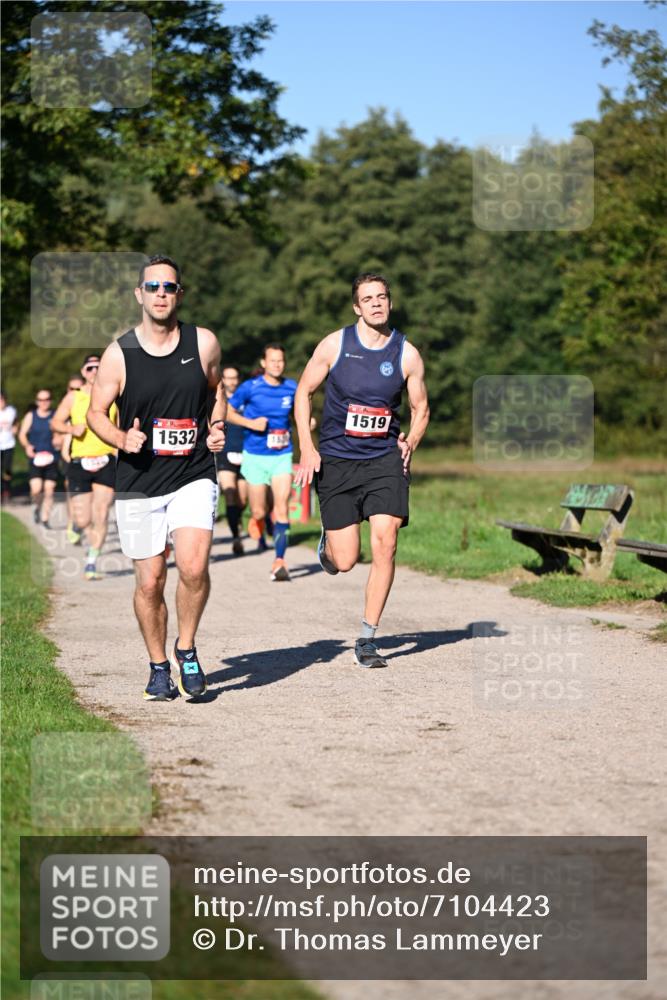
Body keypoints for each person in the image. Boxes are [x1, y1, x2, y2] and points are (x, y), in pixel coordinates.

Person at [87, 254, 226, 702]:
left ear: (179, 294)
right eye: (153, 288)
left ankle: (186, 649)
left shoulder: (203, 343)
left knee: (193, 566)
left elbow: (215, 391)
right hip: (139, 478)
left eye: (169, 287)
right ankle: (158, 665)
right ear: (139, 295)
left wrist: (217, 425)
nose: (161, 294)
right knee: (149, 582)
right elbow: (95, 412)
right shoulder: (118, 353)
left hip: (193, 471)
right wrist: (119, 437)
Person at [294, 272, 430, 668]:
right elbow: (304, 392)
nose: (376, 303)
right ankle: (329, 547)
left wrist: (409, 444)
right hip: (336, 460)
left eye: (382, 297)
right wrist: (308, 446)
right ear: (357, 306)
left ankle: (368, 638)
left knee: (386, 540)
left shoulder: (407, 353)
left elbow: (421, 408)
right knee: (347, 559)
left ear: (390, 302)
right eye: (367, 298)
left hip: (384, 460)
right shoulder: (335, 345)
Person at [226, 344, 297, 581]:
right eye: (273, 361)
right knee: (258, 509)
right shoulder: (250, 387)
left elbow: (300, 414)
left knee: (282, 508)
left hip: (282, 455)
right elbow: (228, 412)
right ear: (264, 363)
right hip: (255, 456)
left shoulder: (291, 387)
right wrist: (251, 424)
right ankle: (257, 520)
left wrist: (309, 423)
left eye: (281, 361)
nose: (277, 365)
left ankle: (279, 561)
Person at [51, 355, 117, 579]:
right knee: (83, 519)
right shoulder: (73, 397)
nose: (95, 371)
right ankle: (78, 528)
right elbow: (55, 422)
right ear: (83, 371)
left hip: (106, 459)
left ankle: (91, 562)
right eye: (90, 367)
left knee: (101, 513)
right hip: (80, 461)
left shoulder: (115, 394)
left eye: (99, 367)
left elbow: (121, 424)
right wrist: (71, 430)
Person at [214, 365, 248, 555]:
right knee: (230, 492)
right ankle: (236, 537)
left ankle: (237, 519)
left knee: (243, 499)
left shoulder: (246, 398)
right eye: (228, 378)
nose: (232, 381)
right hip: (225, 453)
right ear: (223, 380)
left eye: (235, 378)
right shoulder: (217, 400)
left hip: (246, 452)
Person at [18, 389, 59, 526]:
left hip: (51, 458)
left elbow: (62, 434)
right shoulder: (31, 416)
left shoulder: (56, 416)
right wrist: (27, 446)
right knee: (36, 489)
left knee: (49, 490)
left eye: (46, 399)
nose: (44, 402)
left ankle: (45, 518)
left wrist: (59, 440)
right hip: (35, 458)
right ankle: (36, 507)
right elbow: (22, 434)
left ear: (50, 401)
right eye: (41, 400)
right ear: (37, 402)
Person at [59, 374, 85, 544]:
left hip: (88, 456)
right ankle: (72, 523)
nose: (75, 391)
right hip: (68, 456)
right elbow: (54, 435)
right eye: (72, 389)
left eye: (78, 388)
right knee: (72, 493)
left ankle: (82, 523)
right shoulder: (65, 409)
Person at [0, 390, 18, 503]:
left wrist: (15, 428)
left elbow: (16, 422)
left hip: (8, 444)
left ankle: (6, 490)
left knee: (7, 469)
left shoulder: (11, 411)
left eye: (1, 400)